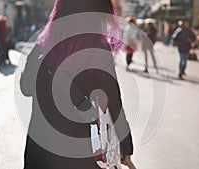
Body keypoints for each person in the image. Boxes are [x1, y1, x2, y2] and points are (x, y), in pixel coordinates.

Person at [20, 0, 134, 168]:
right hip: (78, 151)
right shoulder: (98, 51)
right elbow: (114, 102)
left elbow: (26, 88)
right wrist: (126, 148)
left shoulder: (42, 47)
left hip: (40, 147)